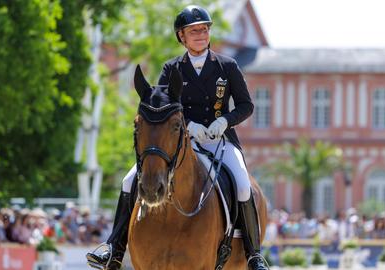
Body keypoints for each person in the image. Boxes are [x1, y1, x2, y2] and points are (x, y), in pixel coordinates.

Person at [86, 5, 268, 270]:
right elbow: (160, 105)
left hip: (220, 141)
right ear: (181, 36)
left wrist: (224, 121)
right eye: (194, 31)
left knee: (242, 184)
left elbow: (246, 105)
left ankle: (253, 255)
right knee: (128, 181)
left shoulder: (227, 66)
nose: (201, 35)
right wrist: (189, 125)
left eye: (204, 30)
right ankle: (114, 249)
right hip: (181, 141)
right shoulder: (171, 68)